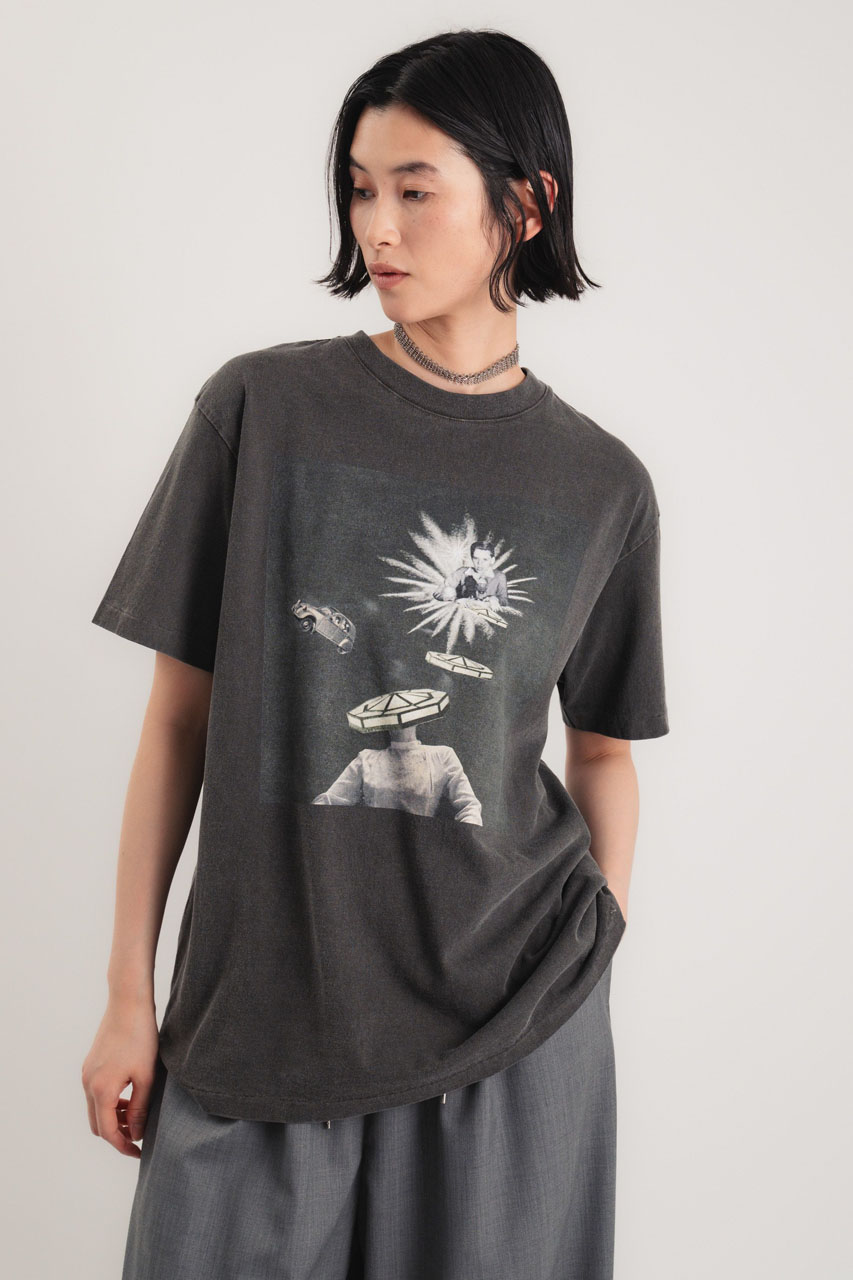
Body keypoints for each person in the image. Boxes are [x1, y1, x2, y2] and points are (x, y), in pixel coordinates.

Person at [81, 28, 670, 1280]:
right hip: (260, 1023)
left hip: (516, 1026)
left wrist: (599, 938)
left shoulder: (602, 483)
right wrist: (129, 995)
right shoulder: (260, 409)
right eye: (359, 188)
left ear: (525, 205)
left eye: (414, 189)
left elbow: (606, 751)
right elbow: (177, 722)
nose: (377, 228)